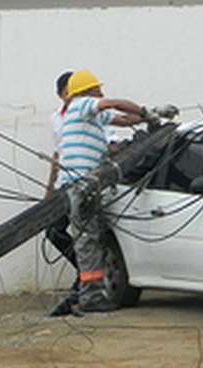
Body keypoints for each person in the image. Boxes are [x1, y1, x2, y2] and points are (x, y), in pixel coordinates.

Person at [56, 69, 150, 313]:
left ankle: (92, 294)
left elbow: (122, 120)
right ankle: (91, 298)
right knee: (88, 241)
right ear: (87, 91)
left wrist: (148, 119)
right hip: (81, 186)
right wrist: (144, 112)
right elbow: (117, 104)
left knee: (91, 240)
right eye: (98, 89)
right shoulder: (82, 104)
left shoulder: (88, 116)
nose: (102, 92)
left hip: (82, 186)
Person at [44, 71, 81, 317]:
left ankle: (84, 283)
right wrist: (49, 189)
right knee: (54, 231)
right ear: (60, 95)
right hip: (64, 184)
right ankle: (82, 270)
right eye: (68, 91)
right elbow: (57, 154)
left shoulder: (88, 112)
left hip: (83, 181)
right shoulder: (56, 119)